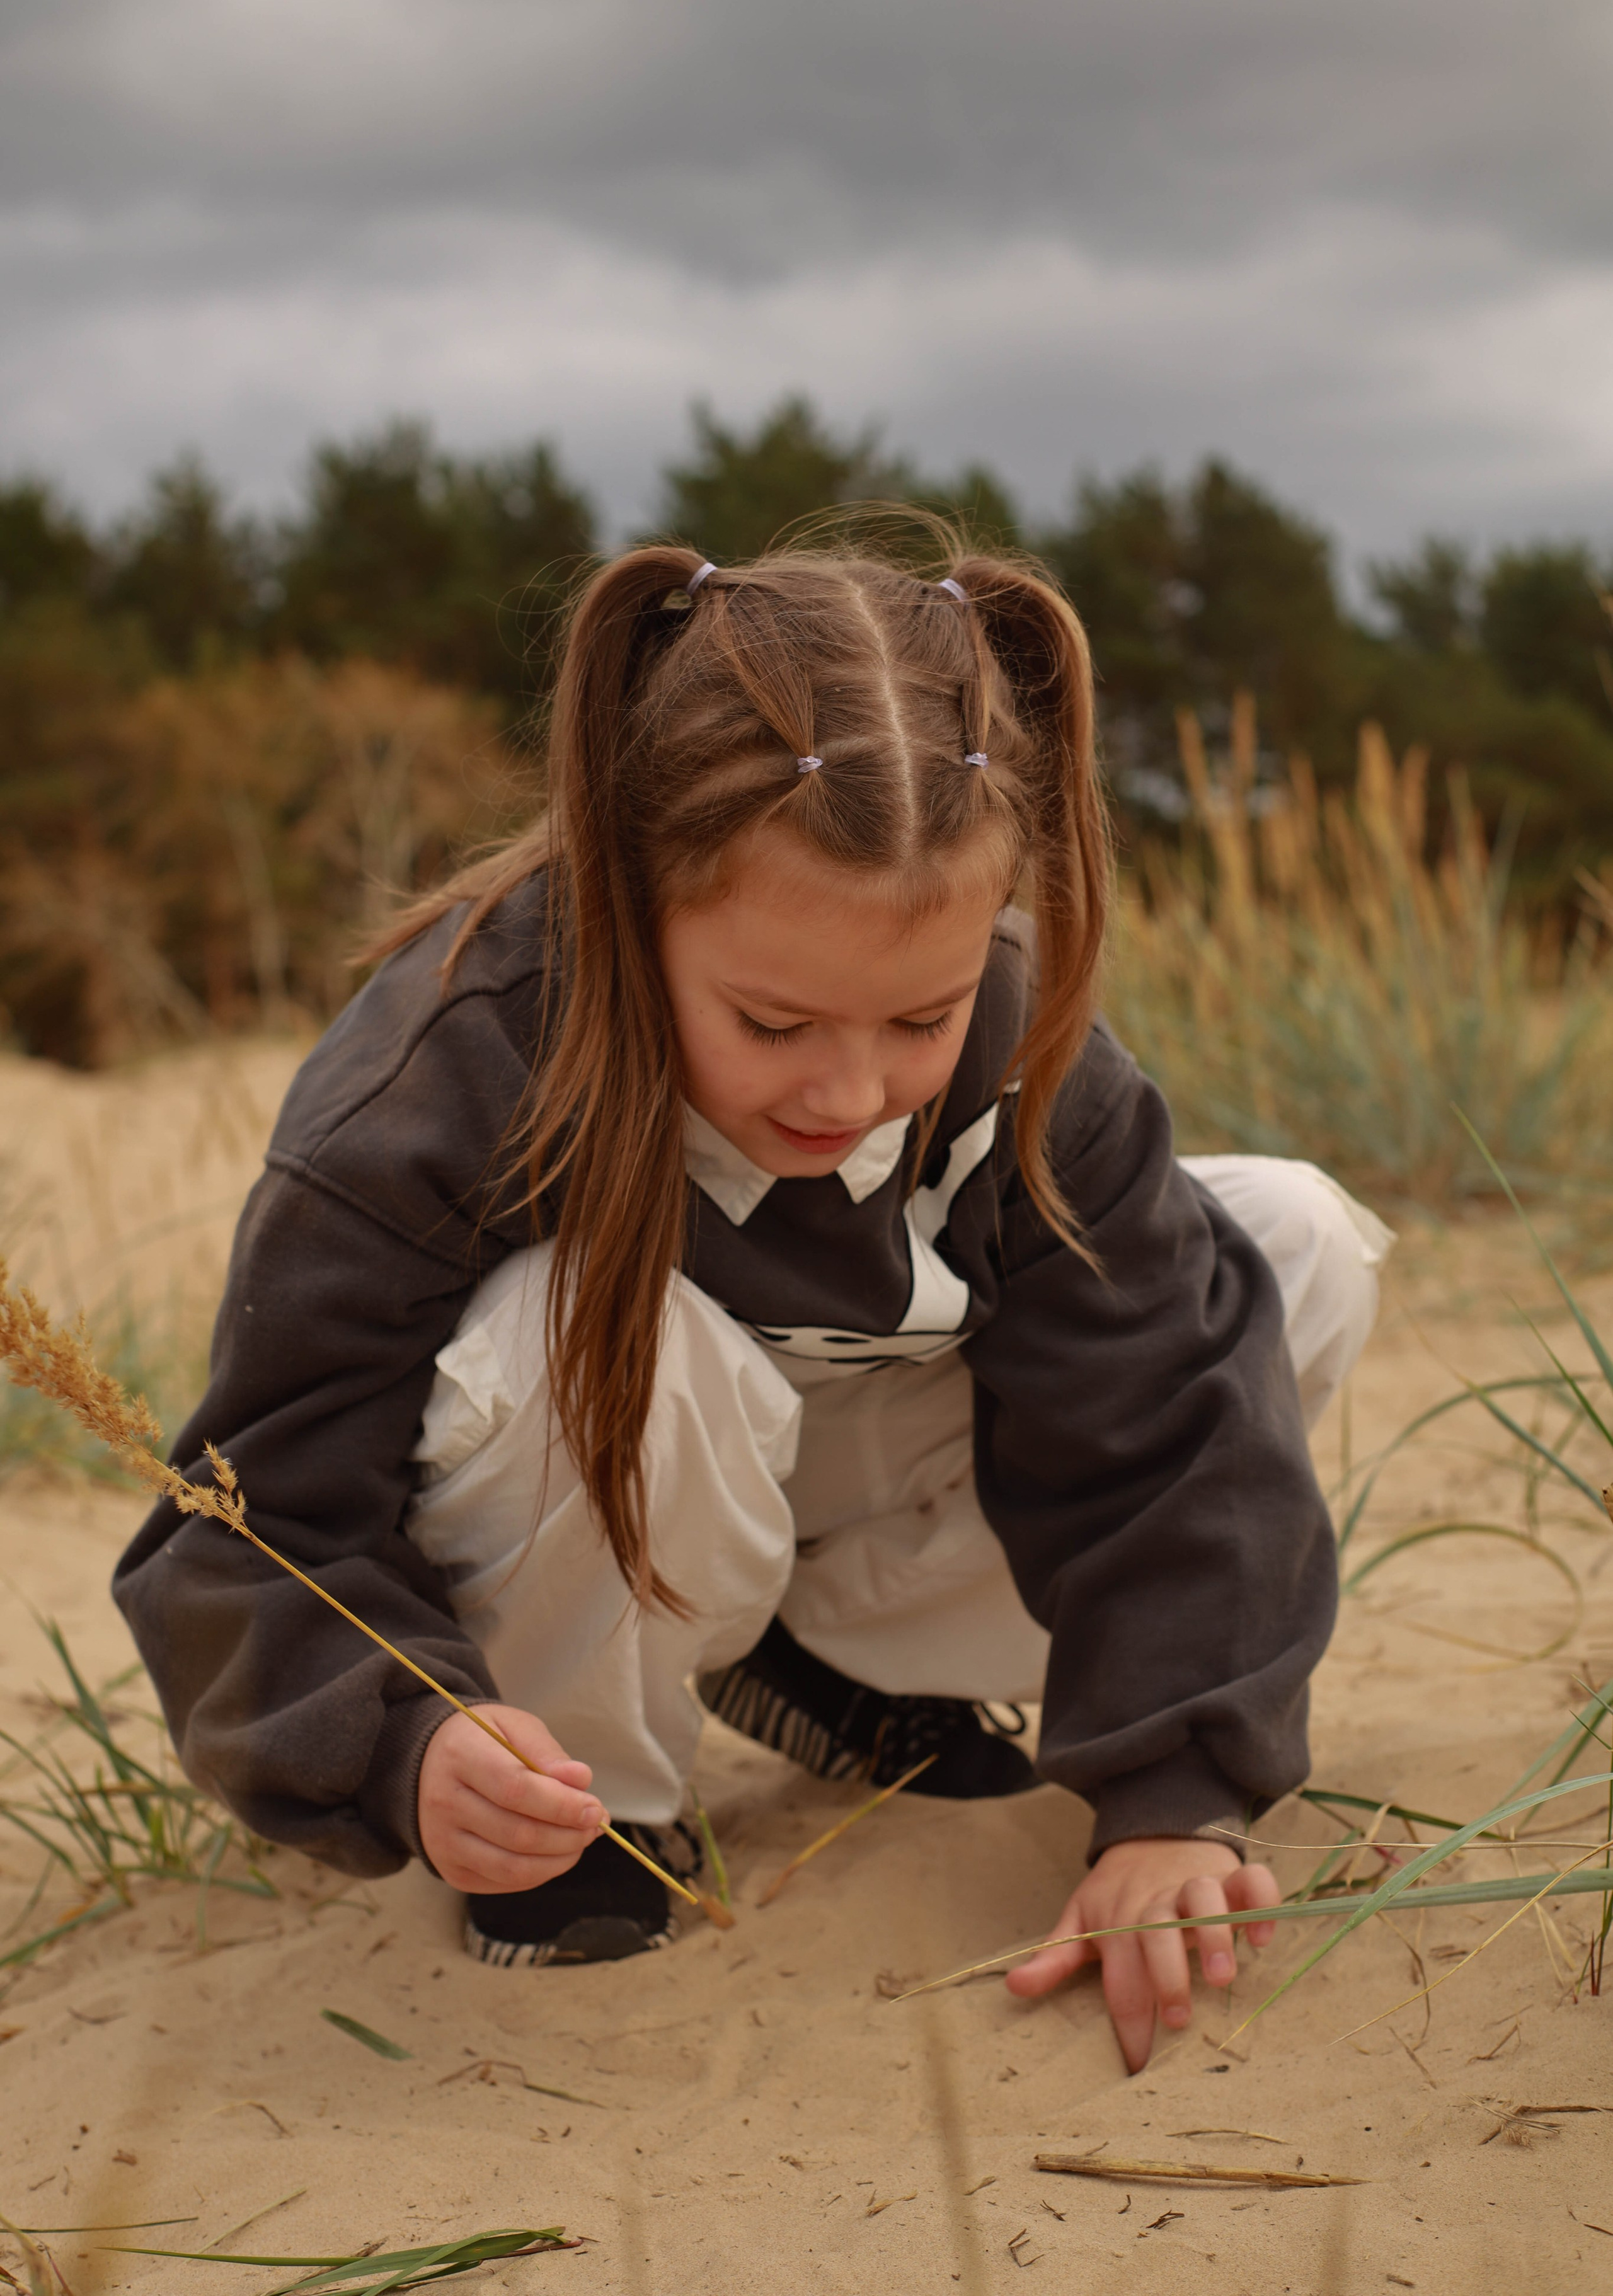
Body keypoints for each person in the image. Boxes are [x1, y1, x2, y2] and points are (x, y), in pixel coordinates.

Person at [114, 541, 1389, 2073]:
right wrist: (411, 1740)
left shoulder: (1024, 1046)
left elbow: (1164, 1431)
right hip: (577, 1537)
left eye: (919, 1015)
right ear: (625, 892)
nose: (849, 1093)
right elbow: (255, 1519)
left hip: (822, 1504)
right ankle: (599, 1801)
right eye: (772, 1021)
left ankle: (840, 1676)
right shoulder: (440, 1083)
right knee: (592, 1322)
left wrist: (1174, 1796)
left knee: (1283, 1241)